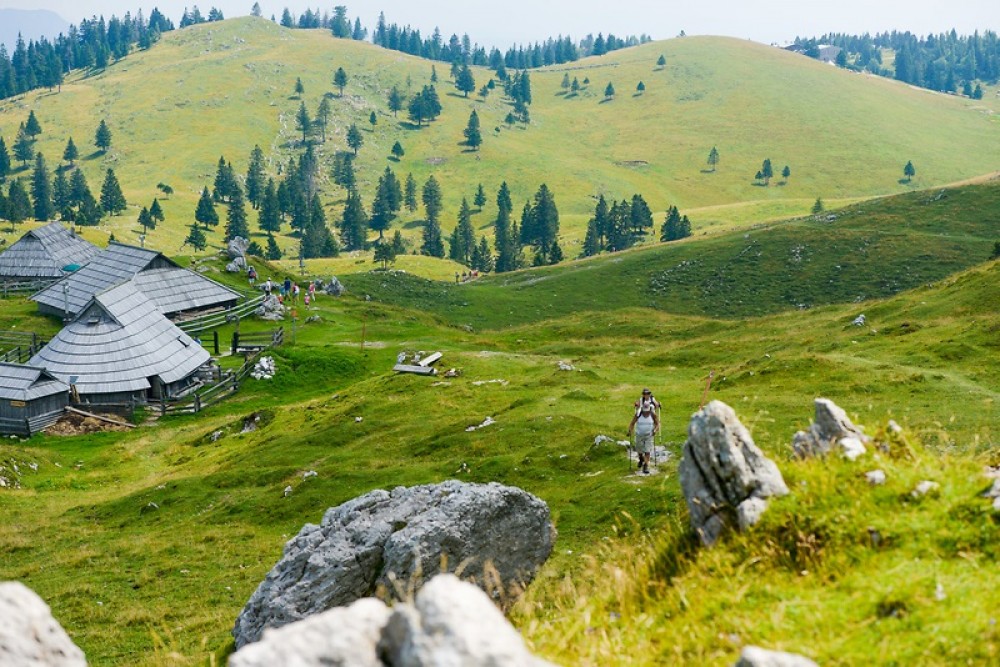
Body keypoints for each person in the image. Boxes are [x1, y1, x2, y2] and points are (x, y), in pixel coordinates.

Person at [627, 402, 659, 474]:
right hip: (639, 435)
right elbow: (632, 423)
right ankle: (641, 459)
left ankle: (646, 465)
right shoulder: (638, 414)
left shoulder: (652, 414)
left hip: (649, 435)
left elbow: (657, 424)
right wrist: (630, 431)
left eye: (647, 411)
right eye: (644, 411)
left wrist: (655, 430)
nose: (645, 412)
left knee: (647, 451)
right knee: (639, 450)